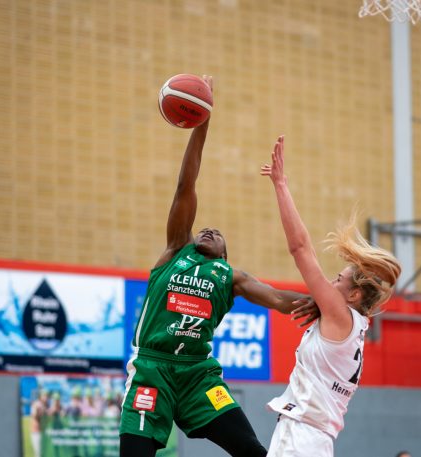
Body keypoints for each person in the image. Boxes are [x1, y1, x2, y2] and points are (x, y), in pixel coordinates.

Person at [118, 76, 315, 457]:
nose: (207, 229)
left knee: (252, 450)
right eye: (204, 228)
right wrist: (203, 120)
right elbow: (185, 186)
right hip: (151, 370)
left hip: (198, 374)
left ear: (224, 254)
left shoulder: (231, 278)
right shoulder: (177, 248)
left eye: (217, 233)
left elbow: (277, 298)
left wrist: (329, 304)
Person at [260, 135, 401, 456]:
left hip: (301, 438)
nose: (330, 284)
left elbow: (300, 249)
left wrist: (281, 185)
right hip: (315, 441)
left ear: (352, 294)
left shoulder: (339, 314)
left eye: (338, 280)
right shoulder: (353, 324)